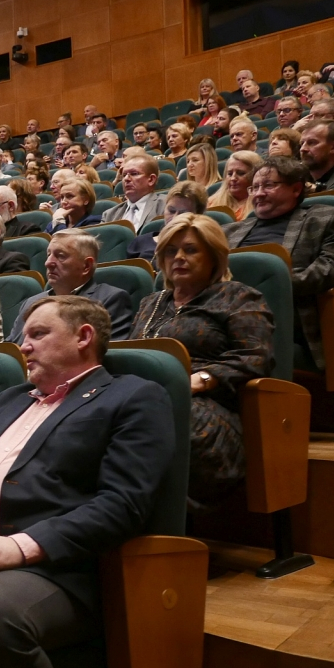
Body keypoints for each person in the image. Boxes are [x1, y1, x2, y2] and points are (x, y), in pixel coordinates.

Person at [0, 295, 176, 666]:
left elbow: (123, 503)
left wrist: (20, 546)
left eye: (38, 333)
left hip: (52, 568)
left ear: (83, 336)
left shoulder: (133, 397)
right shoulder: (11, 398)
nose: (23, 345)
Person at [132, 214, 274, 504]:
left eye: (191, 250)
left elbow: (256, 356)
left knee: (143, 417)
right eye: (171, 251)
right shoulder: (151, 303)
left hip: (207, 408)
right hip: (146, 397)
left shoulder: (238, 297)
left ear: (214, 256)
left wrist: (201, 380)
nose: (179, 258)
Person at [223, 156, 334, 371]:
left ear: (296, 189)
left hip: (286, 323)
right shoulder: (229, 231)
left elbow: (331, 270)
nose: (258, 194)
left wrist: (269, 285)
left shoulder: (327, 219)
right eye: (255, 187)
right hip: (222, 316)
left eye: (268, 185)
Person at [7, 229, 134, 344]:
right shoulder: (31, 302)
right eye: (48, 254)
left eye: (60, 256)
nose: (48, 263)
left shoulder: (109, 299)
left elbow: (106, 355)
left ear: (86, 266)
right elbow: (11, 350)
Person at [127, 180, 208, 262]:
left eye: (183, 213)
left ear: (198, 215)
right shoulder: (140, 242)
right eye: (171, 211)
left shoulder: (204, 245)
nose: (174, 218)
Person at [101, 155, 167, 232]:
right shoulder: (109, 215)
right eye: (124, 175)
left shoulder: (166, 204)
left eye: (134, 173)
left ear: (151, 179)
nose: (126, 179)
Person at [207, 151, 263, 220]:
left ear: (255, 175)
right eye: (230, 174)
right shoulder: (210, 203)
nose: (233, 178)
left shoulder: (262, 205)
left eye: (240, 173)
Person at [300, 119, 334, 191]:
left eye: (312, 142)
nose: (303, 149)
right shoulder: (297, 180)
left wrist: (317, 189)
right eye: (302, 143)